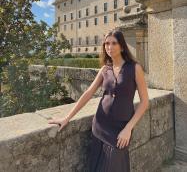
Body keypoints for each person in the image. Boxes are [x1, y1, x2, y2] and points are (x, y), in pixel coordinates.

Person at [48, 29, 149, 172]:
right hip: (101, 125)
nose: (110, 47)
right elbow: (88, 93)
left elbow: (145, 102)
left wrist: (128, 128)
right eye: (107, 43)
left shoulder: (134, 68)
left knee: (114, 166)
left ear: (121, 45)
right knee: (97, 166)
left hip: (121, 127)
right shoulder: (104, 69)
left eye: (114, 43)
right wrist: (67, 117)